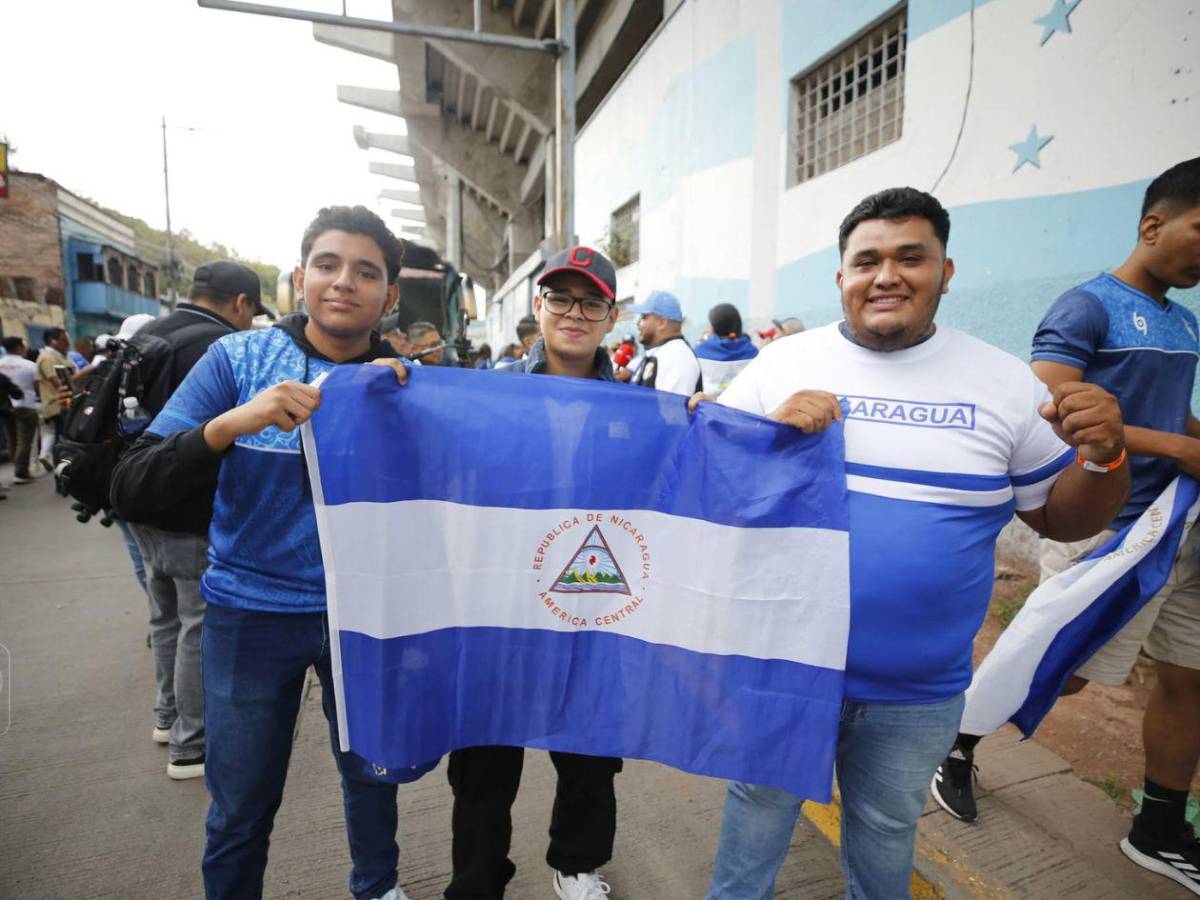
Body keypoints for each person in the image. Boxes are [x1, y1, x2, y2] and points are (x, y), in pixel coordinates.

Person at [700, 186, 1129, 899]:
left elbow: (1061, 521)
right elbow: (709, 494)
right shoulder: (779, 367)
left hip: (918, 691)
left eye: (911, 257)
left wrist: (1106, 457)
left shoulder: (1005, 382)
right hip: (784, 668)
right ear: (842, 276)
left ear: (945, 272)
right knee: (758, 812)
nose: (887, 276)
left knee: (886, 828)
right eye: (867, 261)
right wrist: (766, 433)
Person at [111, 206, 412, 900]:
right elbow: (132, 482)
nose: (344, 282)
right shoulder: (237, 361)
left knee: (375, 777)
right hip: (249, 615)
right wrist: (230, 425)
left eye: (366, 272)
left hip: (367, 618)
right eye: (328, 265)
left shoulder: (409, 382)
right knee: (242, 802)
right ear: (300, 279)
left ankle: (378, 887)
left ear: (389, 295)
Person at [933, 157, 1200, 891]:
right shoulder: (1088, 307)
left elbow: (1171, 410)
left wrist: (1191, 441)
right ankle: (953, 742)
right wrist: (1181, 448)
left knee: (1188, 679)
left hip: (1179, 523)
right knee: (1064, 666)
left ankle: (1158, 828)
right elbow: (1051, 407)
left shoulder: (1185, 322)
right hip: (1111, 527)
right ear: (1153, 225)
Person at [445, 245, 623, 900]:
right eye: (561, 298)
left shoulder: (639, 411)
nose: (575, 313)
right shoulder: (488, 397)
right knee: (484, 759)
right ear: (539, 307)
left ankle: (576, 864)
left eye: (591, 302)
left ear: (612, 316)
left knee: (590, 752)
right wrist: (389, 386)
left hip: (591, 602)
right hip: (500, 605)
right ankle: (476, 881)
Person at [118, 262, 267, 780]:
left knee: (164, 616)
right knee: (198, 623)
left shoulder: (149, 333)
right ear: (241, 303)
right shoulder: (218, 348)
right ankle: (190, 744)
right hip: (185, 505)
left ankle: (166, 716)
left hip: (136, 497)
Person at [624, 291, 701, 395]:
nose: (638, 323)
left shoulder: (678, 358)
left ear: (662, 323)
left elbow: (671, 405)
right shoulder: (663, 352)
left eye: (644, 317)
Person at [35, 327, 78, 471]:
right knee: (61, 441)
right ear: (53, 341)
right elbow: (62, 384)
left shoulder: (60, 356)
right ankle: (61, 473)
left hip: (66, 404)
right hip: (57, 406)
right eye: (64, 340)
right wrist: (88, 371)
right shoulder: (48, 358)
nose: (67, 343)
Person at [0, 336, 41, 484]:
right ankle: (21, 472)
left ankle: (17, 468)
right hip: (27, 405)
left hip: (6, 407)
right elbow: (37, 386)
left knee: (12, 439)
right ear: (19, 347)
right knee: (24, 440)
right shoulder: (29, 365)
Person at [695, 303, 758, 398]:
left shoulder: (700, 349)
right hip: (742, 403)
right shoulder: (752, 351)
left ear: (714, 326)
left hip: (708, 404)